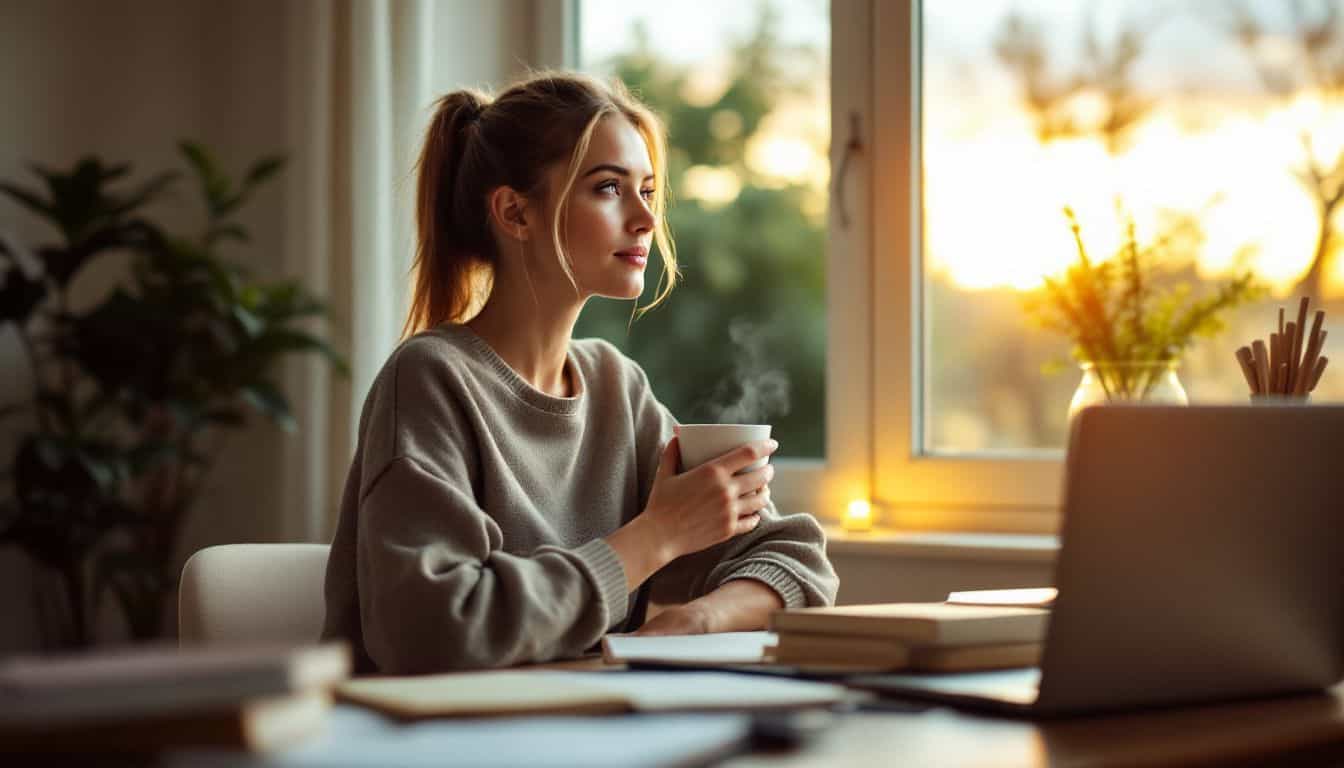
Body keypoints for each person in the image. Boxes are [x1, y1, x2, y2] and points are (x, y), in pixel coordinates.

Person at [321, 71, 837, 674]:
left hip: (582, 728)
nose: (646, 218)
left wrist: (697, 620)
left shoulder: (617, 388)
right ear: (515, 213)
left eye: (647, 189)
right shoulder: (430, 378)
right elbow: (434, 630)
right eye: (610, 188)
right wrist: (657, 537)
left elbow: (795, 559)